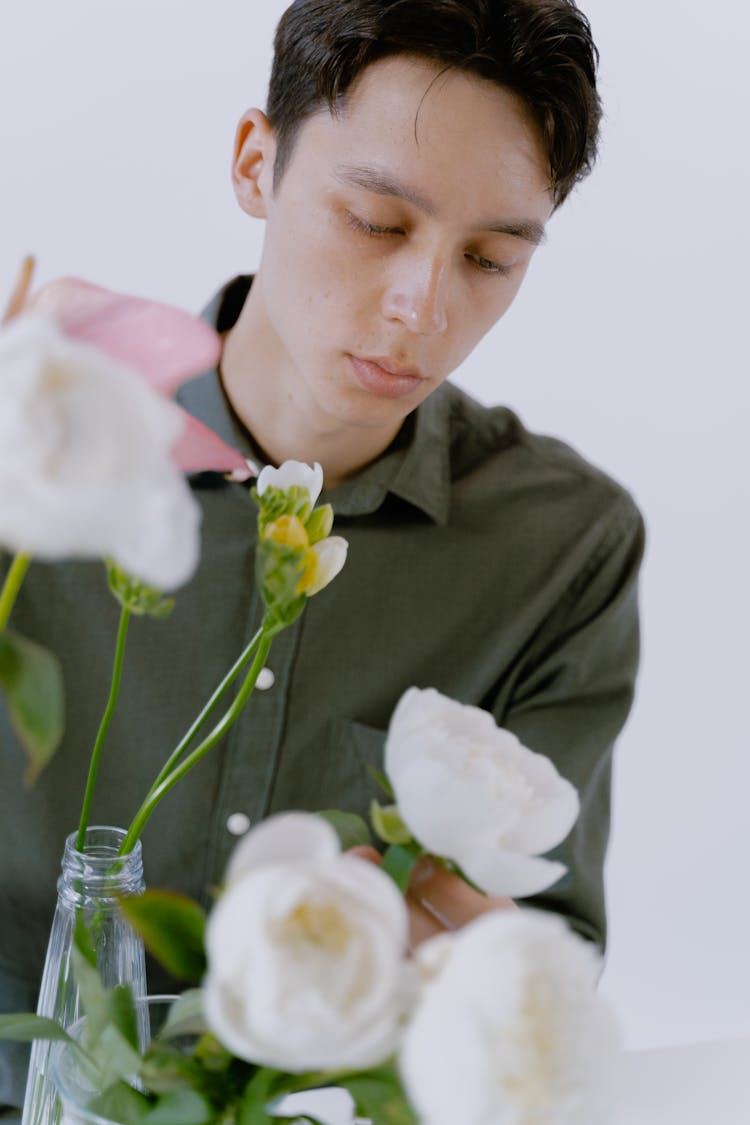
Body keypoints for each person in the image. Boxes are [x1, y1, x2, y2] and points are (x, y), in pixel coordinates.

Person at [0, 0, 644, 1115]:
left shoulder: (564, 544)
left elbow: (544, 954)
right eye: (377, 222)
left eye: (491, 257)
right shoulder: (37, 446)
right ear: (257, 163)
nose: (422, 309)